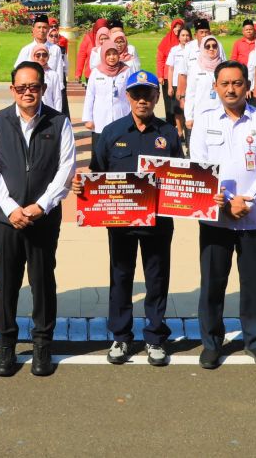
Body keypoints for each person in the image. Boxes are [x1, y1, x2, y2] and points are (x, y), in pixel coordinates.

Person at [74, 70, 183, 366]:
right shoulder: (112, 132)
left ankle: (155, 337)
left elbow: (181, 178)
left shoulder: (169, 133)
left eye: (148, 94)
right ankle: (121, 336)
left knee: (157, 279)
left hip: (158, 222)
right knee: (120, 277)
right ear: (128, 97)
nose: (142, 100)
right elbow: (97, 174)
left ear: (157, 97)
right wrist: (83, 184)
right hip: (120, 222)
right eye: (136, 94)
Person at [188, 60, 256, 370]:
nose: (231, 89)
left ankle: (255, 340)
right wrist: (228, 202)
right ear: (215, 87)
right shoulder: (204, 120)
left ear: (247, 86)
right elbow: (199, 163)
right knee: (213, 282)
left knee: (254, 282)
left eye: (237, 83)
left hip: (253, 218)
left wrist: (249, 200)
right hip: (215, 216)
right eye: (225, 83)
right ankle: (212, 342)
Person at [0, 61, 76, 378]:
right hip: (7, 218)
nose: (27, 93)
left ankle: (42, 344)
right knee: (6, 283)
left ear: (43, 88)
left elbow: (66, 169)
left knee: (42, 282)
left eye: (33, 87)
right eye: (21, 88)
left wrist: (42, 205)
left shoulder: (59, 122)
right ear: (12, 90)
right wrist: (11, 208)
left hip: (43, 218)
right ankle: (6, 345)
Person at [177, 33, 223, 133]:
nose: (211, 49)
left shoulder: (223, 67)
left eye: (214, 46)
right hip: (201, 114)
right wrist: (189, 117)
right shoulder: (196, 68)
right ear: (202, 48)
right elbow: (190, 94)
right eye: (208, 46)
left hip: (221, 113)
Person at [83, 44, 134, 133]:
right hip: (101, 119)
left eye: (114, 54)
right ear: (103, 55)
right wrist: (88, 119)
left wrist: (133, 118)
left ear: (118, 55)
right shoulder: (96, 72)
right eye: (108, 54)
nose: (112, 57)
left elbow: (132, 95)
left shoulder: (126, 71)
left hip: (122, 116)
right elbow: (90, 96)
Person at [165, 27, 193, 142]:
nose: (185, 38)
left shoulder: (194, 50)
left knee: (188, 109)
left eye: (187, 35)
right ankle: (180, 132)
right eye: (183, 35)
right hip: (177, 84)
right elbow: (170, 69)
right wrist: (170, 86)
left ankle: (189, 133)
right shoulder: (174, 50)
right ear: (179, 37)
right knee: (177, 110)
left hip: (190, 85)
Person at [154, 18, 185, 123]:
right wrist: (160, 75)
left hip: (183, 77)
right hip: (168, 77)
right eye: (175, 27)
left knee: (182, 102)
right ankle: (170, 124)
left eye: (179, 27)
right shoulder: (166, 41)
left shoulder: (186, 40)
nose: (177, 29)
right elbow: (160, 59)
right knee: (169, 103)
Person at [30, 43, 63, 115]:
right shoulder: (29, 73)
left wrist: (58, 115)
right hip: (32, 112)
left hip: (49, 112)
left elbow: (57, 97)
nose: (41, 57)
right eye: (38, 55)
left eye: (44, 55)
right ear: (33, 56)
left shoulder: (53, 75)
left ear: (48, 57)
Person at [79, 17, 110, 84]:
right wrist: (78, 73)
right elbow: (82, 55)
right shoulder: (88, 38)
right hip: (90, 74)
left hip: (108, 74)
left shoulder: (110, 37)